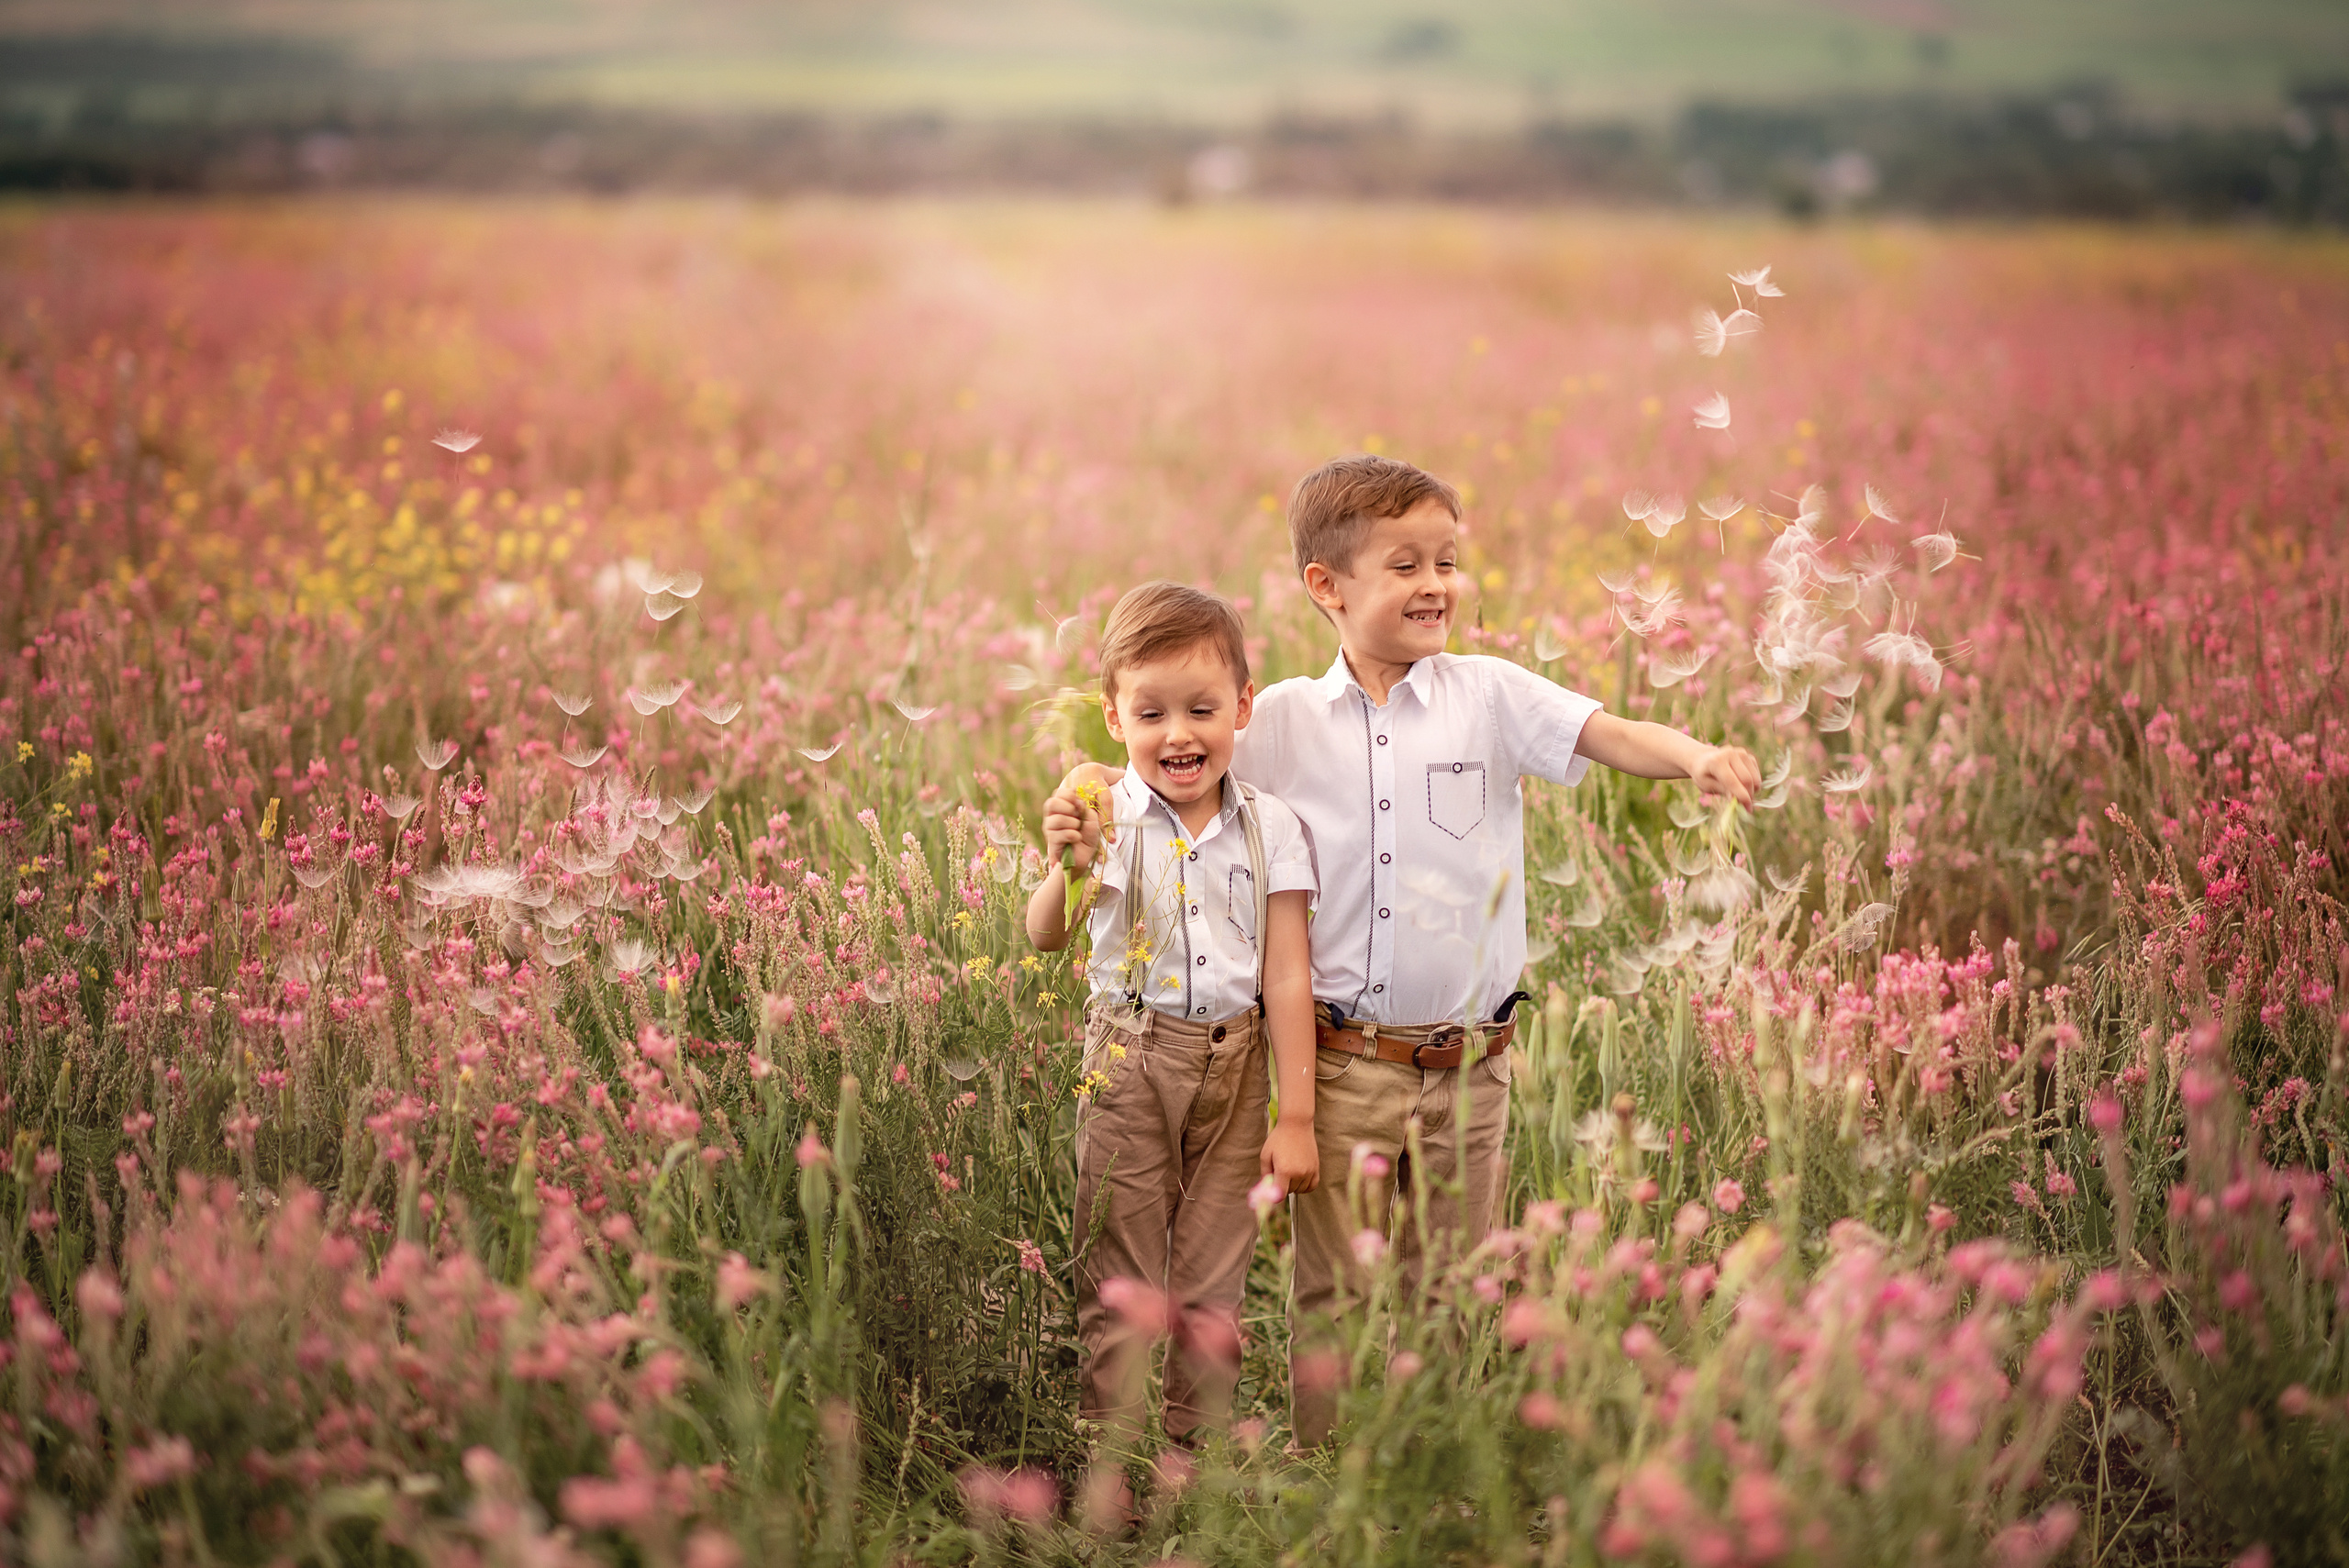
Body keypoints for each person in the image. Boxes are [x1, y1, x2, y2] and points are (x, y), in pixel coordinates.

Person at [1056, 455, 1760, 1445]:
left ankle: (1439, 1472)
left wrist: (1691, 755)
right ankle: (1327, 1466)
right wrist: (1087, 781)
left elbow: (1606, 732)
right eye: (1406, 564)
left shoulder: (1490, 697)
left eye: (1447, 560)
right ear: (1327, 587)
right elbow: (1167, 750)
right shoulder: (1281, 719)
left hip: (1474, 1062)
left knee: (1457, 1284)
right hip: (1346, 1063)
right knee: (1334, 1289)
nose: (1436, 583)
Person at [1025, 580, 1321, 1458]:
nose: (1178, 734)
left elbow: (1289, 974)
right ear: (1115, 719)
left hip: (1239, 1065)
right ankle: (1112, 1456)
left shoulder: (1273, 827)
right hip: (1130, 1057)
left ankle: (1195, 1455)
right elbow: (1046, 936)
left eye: (1201, 709)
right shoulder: (1105, 816)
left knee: (1212, 1271)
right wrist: (1064, 865)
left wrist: (1296, 1114)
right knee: (1118, 1264)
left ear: (1242, 708)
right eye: (1150, 713)